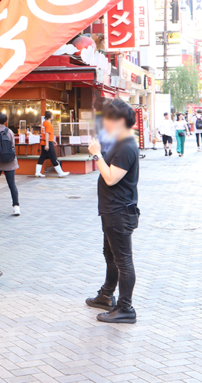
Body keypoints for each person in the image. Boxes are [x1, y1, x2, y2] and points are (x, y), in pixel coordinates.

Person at [87, 99, 140, 324]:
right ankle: (106, 295)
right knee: (111, 257)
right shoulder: (121, 142)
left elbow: (110, 178)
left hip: (119, 213)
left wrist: (96, 154)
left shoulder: (126, 146)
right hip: (112, 211)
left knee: (123, 260)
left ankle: (125, 308)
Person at [0, 112, 20, 216]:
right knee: (12, 185)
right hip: (10, 162)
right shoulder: (10, 132)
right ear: (6, 121)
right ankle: (16, 207)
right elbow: (12, 146)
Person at [36, 110, 68, 177]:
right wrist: (48, 144)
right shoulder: (48, 124)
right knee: (54, 157)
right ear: (50, 116)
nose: (53, 116)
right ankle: (60, 173)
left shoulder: (44, 123)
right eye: (52, 115)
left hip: (43, 142)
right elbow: (47, 134)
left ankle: (37, 172)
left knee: (42, 157)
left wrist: (52, 140)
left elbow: (45, 134)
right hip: (47, 142)